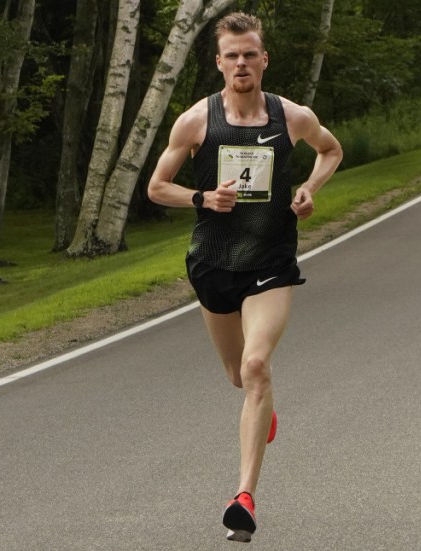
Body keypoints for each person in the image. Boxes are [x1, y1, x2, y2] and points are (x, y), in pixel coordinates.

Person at [147, 11, 343, 543]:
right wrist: (201, 197)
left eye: (249, 54)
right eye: (231, 55)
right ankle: (265, 414)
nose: (241, 63)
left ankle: (244, 497)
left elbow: (332, 150)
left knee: (257, 366)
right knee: (238, 375)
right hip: (213, 264)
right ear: (219, 63)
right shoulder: (196, 121)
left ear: (263, 59)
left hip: (271, 262)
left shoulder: (291, 117)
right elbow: (155, 187)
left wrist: (309, 189)